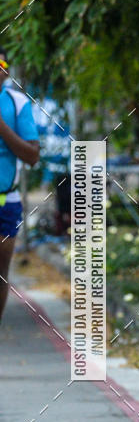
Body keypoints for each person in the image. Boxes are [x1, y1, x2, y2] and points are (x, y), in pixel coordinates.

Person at [0, 49, 40, 323]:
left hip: (6, 201)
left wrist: (2, 126)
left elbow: (32, 156)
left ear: (6, 71)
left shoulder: (17, 103)